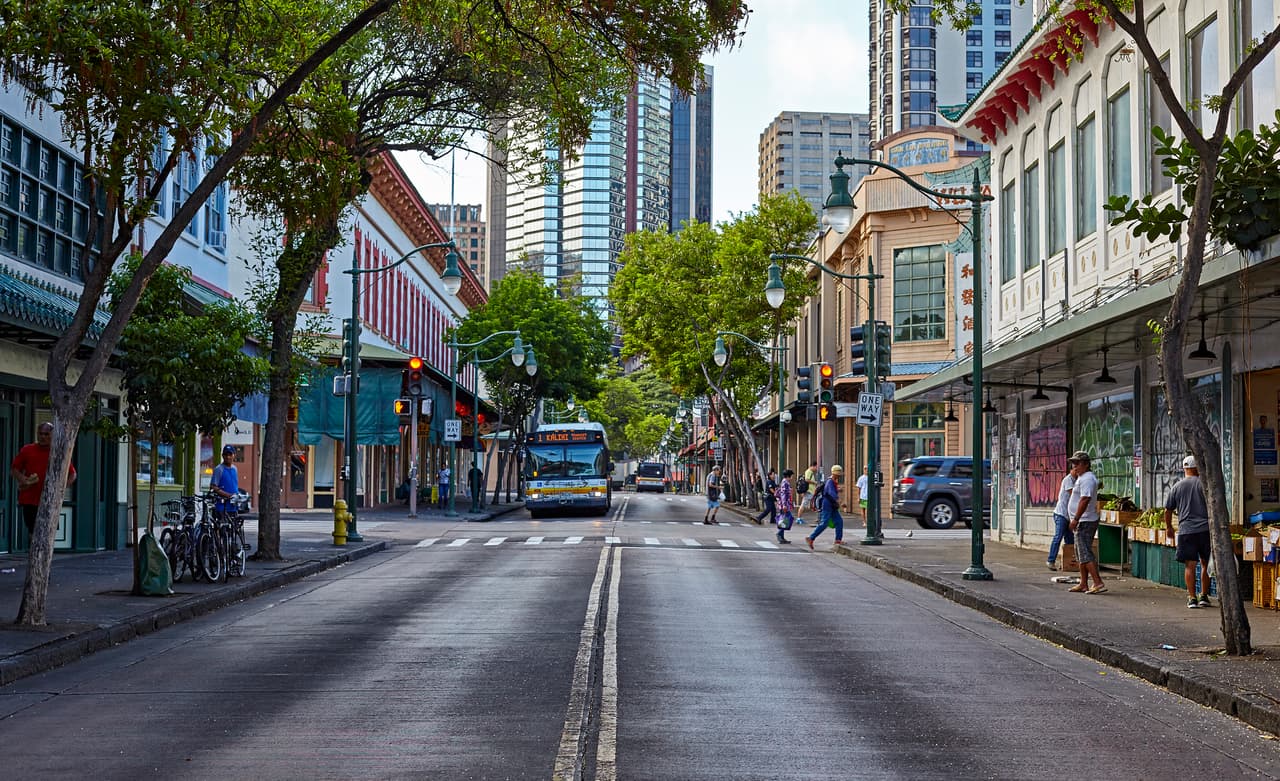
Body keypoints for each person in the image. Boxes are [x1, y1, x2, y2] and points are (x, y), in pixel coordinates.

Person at [10, 422, 76, 537]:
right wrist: (23, 479)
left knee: (47, 533)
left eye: (46, 434)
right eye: (40, 434)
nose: (43, 437)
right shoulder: (27, 450)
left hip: (49, 500)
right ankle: (35, 555)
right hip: (29, 499)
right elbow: (14, 469)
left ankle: (45, 555)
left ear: (53, 435)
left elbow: (72, 474)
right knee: (33, 532)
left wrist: (60, 489)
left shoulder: (58, 452)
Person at [1164, 455, 1212, 609]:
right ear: (1197, 468)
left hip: (1186, 531)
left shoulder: (1177, 486)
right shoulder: (1204, 485)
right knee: (1206, 564)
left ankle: (1192, 598)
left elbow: (1168, 510)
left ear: (1185, 469)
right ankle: (1204, 596)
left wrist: (1169, 527)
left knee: (1189, 566)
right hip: (1205, 530)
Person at [1066, 451, 1106, 594]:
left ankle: (1097, 582)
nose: (1074, 466)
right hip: (1082, 520)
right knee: (1080, 554)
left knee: (1085, 553)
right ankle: (1083, 583)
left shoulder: (1088, 479)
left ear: (1086, 464)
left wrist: (1076, 518)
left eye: (1077, 463)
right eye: (1073, 463)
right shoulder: (1082, 478)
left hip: (1085, 521)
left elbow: (1085, 499)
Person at [1047, 458, 1078, 570]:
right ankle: (1051, 560)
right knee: (1058, 537)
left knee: (1070, 540)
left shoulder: (1077, 481)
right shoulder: (1068, 480)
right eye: (1075, 469)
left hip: (1069, 516)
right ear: (1071, 470)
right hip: (1061, 514)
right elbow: (1074, 495)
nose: (1077, 471)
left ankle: (1068, 563)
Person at [806, 464, 845, 550]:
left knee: (839, 521)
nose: (839, 475)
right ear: (835, 474)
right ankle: (811, 538)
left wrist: (838, 490)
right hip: (827, 505)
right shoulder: (830, 482)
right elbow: (831, 493)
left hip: (832, 506)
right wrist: (840, 501)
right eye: (838, 474)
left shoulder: (833, 481)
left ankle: (838, 540)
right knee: (824, 523)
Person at [210, 444, 240, 513]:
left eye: (230, 454)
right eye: (226, 455)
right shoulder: (219, 469)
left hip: (233, 506)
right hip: (222, 507)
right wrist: (228, 495)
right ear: (222, 456)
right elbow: (213, 487)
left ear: (234, 455)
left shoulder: (234, 469)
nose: (228, 457)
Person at [775, 468, 796, 544]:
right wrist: (784, 505)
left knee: (784, 519)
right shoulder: (785, 483)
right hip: (784, 505)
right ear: (789, 476)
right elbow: (783, 494)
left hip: (784, 504)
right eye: (791, 475)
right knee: (786, 519)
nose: (792, 477)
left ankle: (782, 537)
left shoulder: (784, 482)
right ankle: (780, 534)